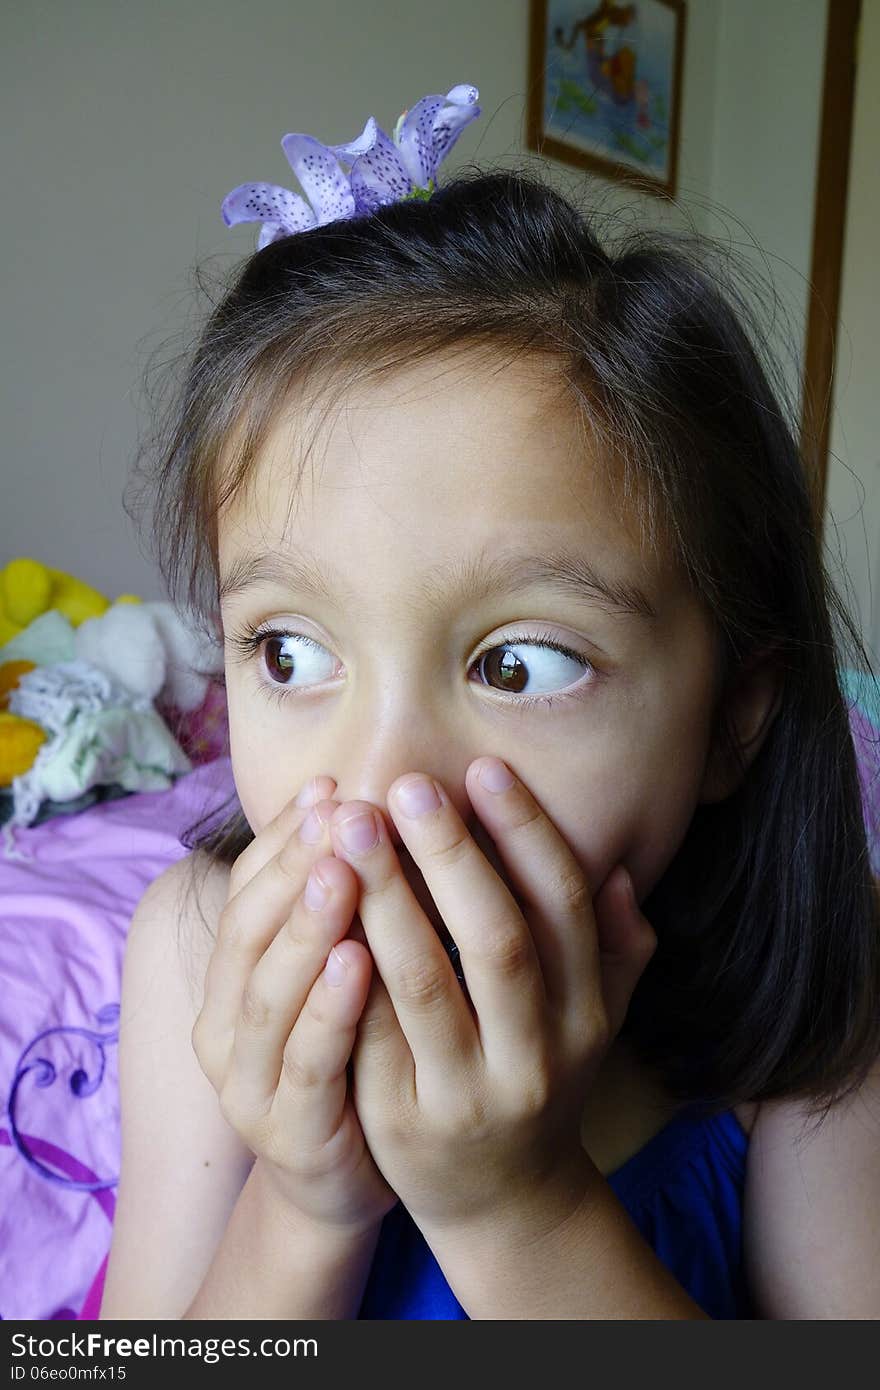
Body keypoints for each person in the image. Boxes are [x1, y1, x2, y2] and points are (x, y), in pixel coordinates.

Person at [97, 84, 880, 1320]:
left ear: (734, 713)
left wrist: (514, 1203)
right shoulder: (193, 946)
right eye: (290, 652)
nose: (377, 784)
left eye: (517, 665)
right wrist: (305, 1202)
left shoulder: (813, 1009)